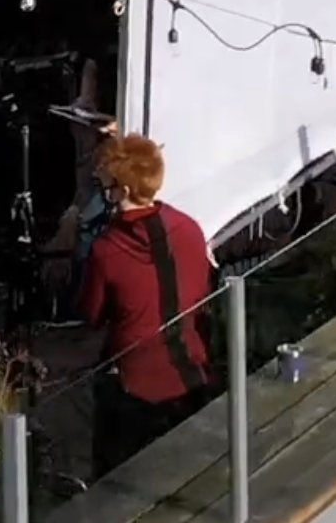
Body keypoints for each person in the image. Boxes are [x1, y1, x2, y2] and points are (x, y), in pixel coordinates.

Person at [77, 134, 216, 472]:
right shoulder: (189, 228)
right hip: (195, 377)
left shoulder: (106, 250)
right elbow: (201, 296)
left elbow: (91, 314)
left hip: (135, 391)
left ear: (122, 190)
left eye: (107, 185)